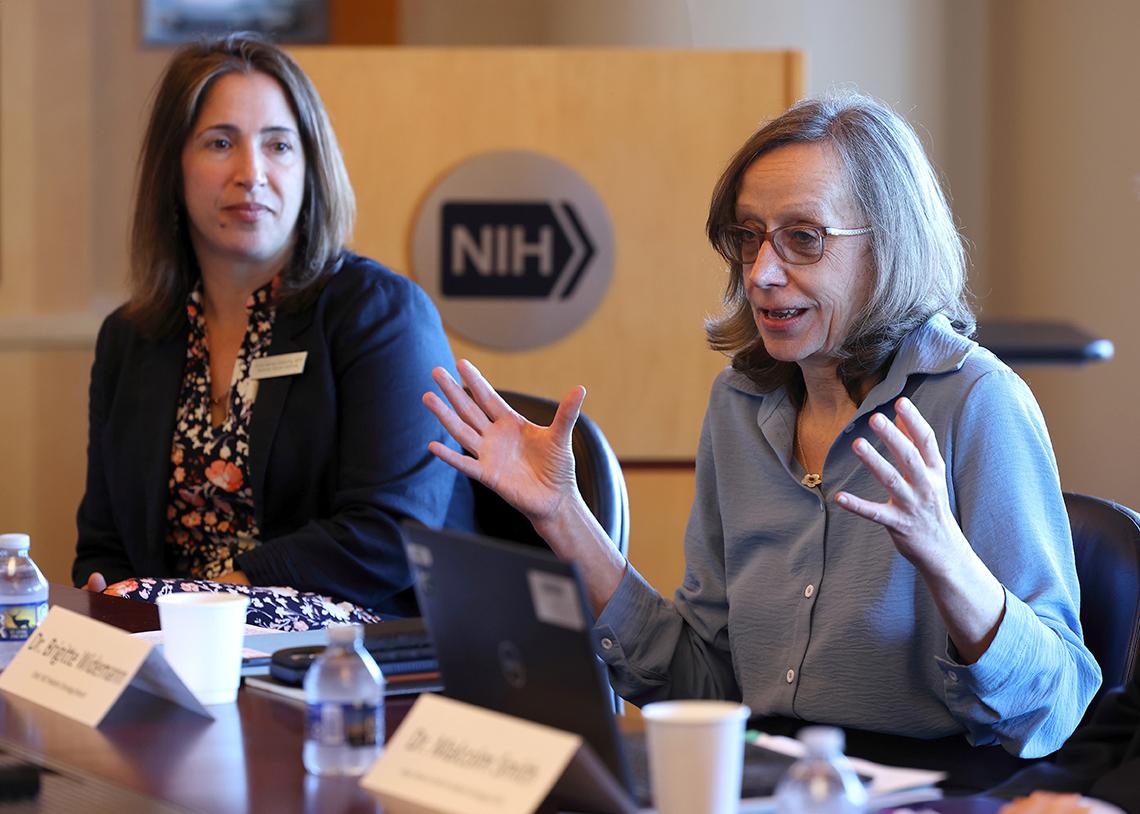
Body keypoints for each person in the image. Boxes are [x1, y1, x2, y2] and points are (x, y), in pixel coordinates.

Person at [423, 93, 1100, 758]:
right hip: (763, 779)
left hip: (932, 791)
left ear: (886, 248)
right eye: (748, 238)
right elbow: (704, 688)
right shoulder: (740, 404)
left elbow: (1056, 706)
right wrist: (562, 515)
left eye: (803, 239)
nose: (761, 273)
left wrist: (949, 562)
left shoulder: (977, 400)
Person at [72, 33, 470, 629]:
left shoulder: (382, 314)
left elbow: (393, 531)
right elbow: (103, 546)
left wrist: (218, 597)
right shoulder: (130, 339)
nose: (251, 172)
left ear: (310, 168)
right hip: (181, 650)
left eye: (278, 145)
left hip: (353, 662)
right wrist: (113, 601)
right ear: (172, 168)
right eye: (220, 142)